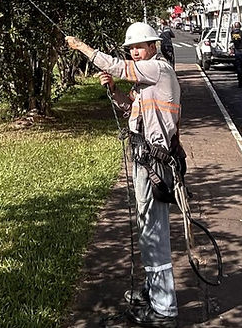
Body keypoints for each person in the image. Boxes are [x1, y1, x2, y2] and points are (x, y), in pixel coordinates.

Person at [66, 23, 180, 328]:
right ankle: (153, 290)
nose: (135, 51)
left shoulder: (158, 69)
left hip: (154, 163)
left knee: (154, 233)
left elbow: (117, 66)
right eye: (131, 48)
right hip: (144, 159)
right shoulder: (145, 79)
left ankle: (164, 309)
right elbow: (130, 108)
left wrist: (83, 48)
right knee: (146, 228)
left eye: (140, 46)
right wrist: (114, 91)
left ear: (154, 46)